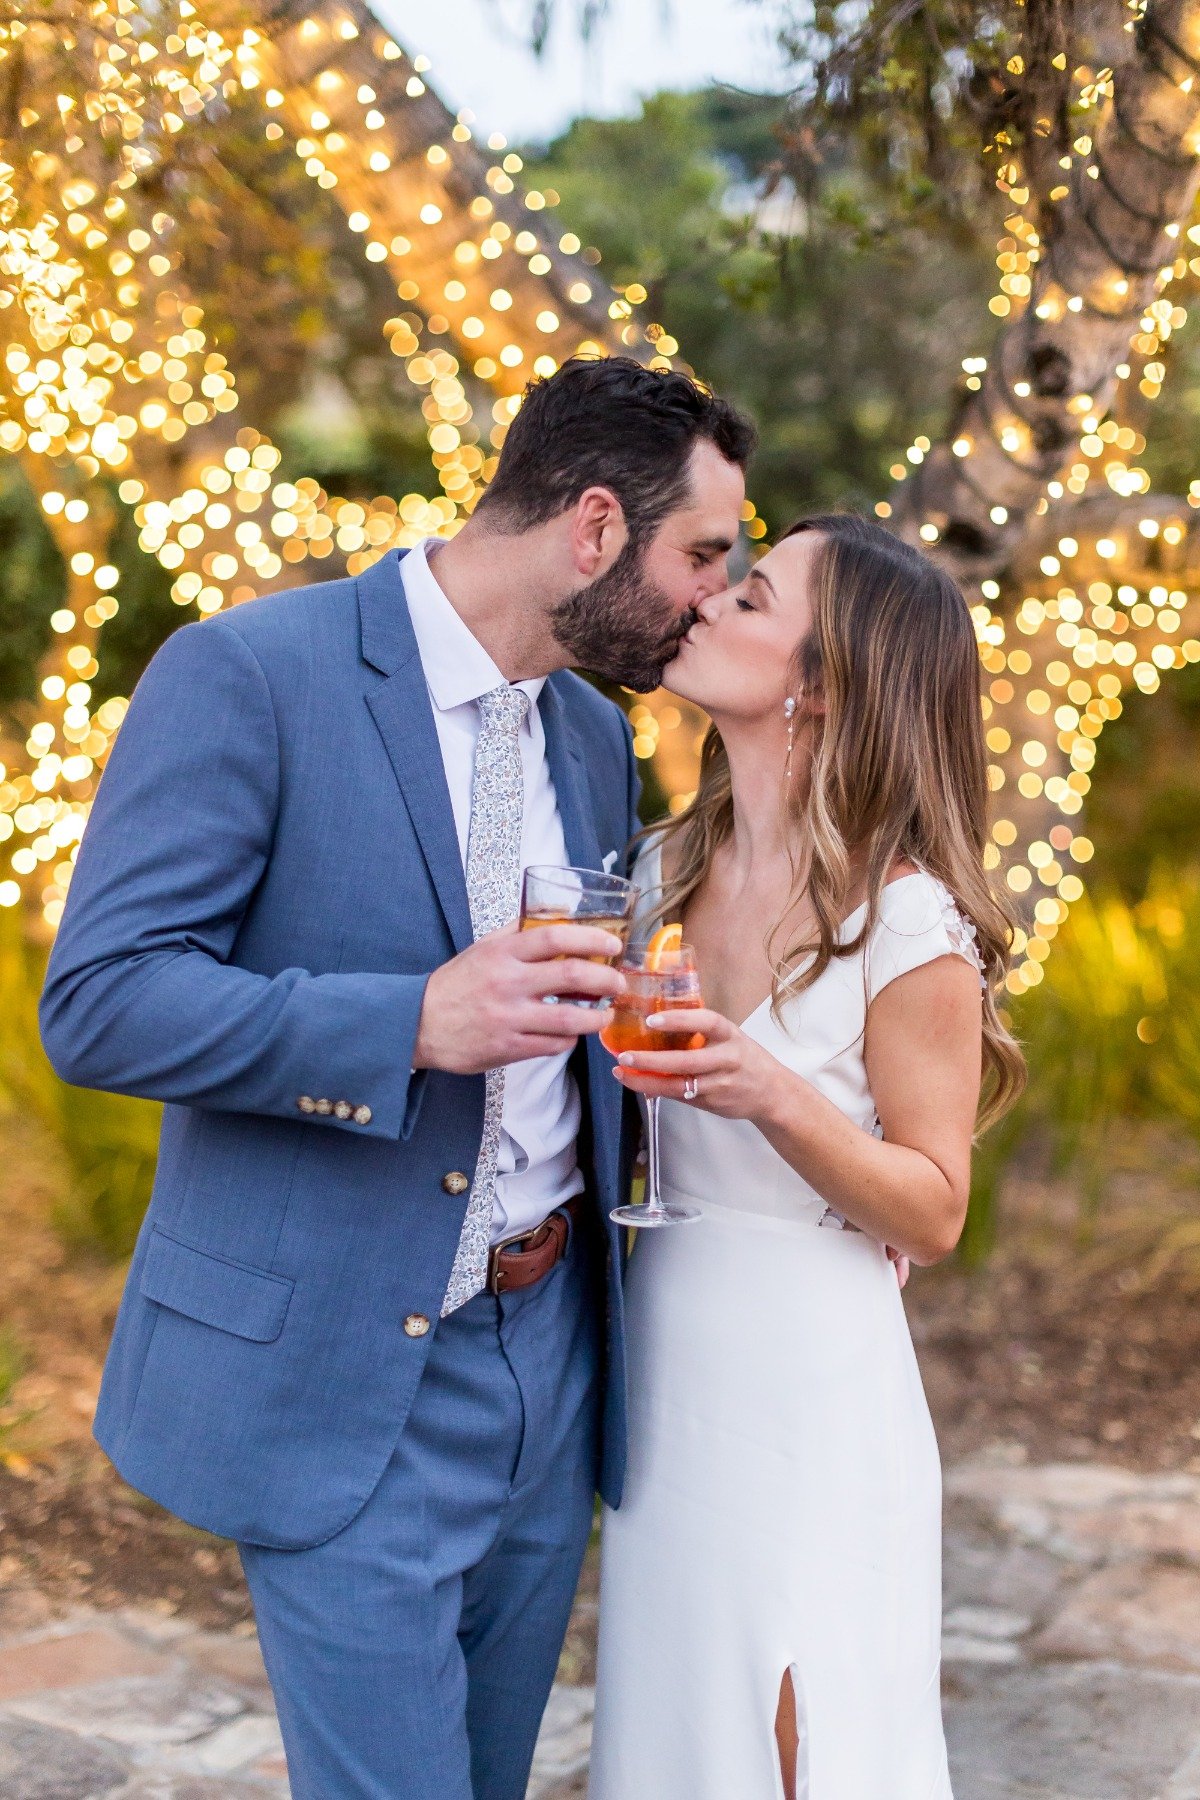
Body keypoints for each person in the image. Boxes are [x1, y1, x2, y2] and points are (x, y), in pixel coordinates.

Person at [39, 356, 755, 1800]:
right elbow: (101, 1004)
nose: (712, 600)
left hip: (554, 1356)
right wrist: (408, 1021)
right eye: (704, 557)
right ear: (598, 528)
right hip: (346, 1368)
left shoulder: (592, 733)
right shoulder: (249, 674)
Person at [588, 511, 1025, 1800]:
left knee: (802, 1736)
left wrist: (775, 1094)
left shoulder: (908, 924)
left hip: (813, 1385)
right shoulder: (655, 873)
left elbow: (936, 1209)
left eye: (755, 596)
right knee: (678, 1732)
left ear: (823, 684)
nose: (712, 599)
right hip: (664, 1365)